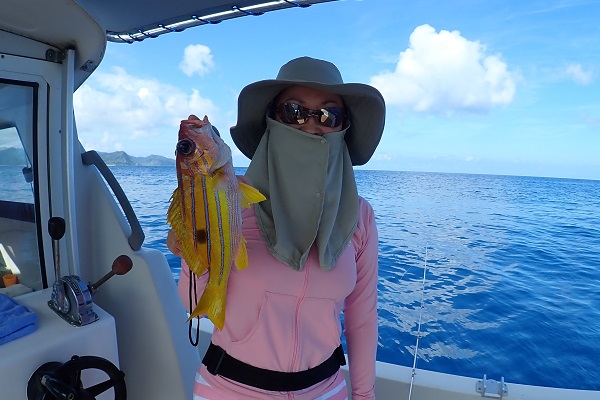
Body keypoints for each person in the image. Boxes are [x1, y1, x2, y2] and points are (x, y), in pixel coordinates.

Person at [167, 56, 385, 400]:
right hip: (229, 390)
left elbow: (363, 318)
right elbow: (192, 300)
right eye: (293, 111)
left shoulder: (360, 216)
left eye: (329, 115)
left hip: (327, 391)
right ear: (271, 119)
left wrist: (364, 394)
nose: (311, 125)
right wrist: (192, 251)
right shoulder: (229, 200)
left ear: (344, 127)